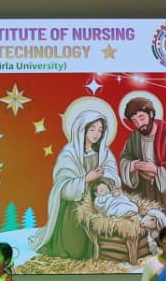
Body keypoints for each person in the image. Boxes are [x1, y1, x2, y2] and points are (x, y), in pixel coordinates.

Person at [32, 110, 119, 259]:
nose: (96, 134)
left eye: (100, 130)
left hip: (100, 197)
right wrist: (86, 179)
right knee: (76, 248)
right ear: (82, 129)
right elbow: (62, 186)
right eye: (92, 129)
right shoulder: (70, 153)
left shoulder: (103, 152)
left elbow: (113, 174)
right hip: (76, 203)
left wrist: (104, 182)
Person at [93, 181, 166, 231]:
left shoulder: (112, 193)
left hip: (122, 204)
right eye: (102, 190)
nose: (106, 191)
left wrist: (119, 195)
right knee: (120, 208)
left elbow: (125, 199)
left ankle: (133, 213)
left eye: (107, 189)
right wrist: (109, 197)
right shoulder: (98, 199)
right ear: (96, 194)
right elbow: (100, 206)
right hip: (113, 208)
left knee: (132, 205)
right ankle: (129, 214)